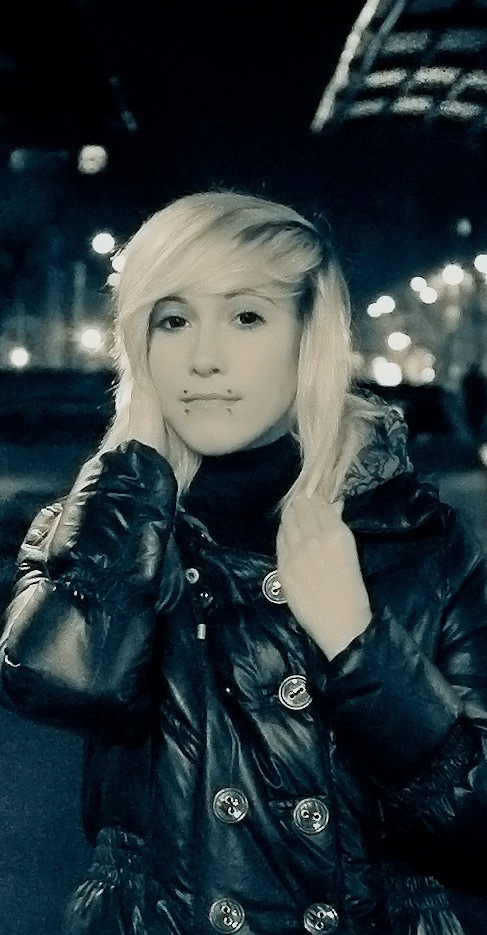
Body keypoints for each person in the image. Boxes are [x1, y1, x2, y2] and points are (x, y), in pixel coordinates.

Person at [1, 189, 487, 935]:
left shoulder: (420, 539)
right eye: (172, 320)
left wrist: (360, 646)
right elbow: (65, 683)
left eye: (246, 317)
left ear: (307, 337)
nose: (203, 358)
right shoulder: (102, 528)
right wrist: (130, 485)